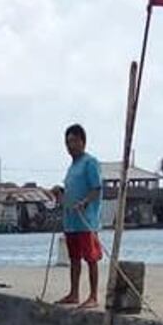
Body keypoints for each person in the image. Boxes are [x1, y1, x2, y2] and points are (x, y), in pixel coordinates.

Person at [57, 122, 103, 308]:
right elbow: (71, 190)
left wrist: (84, 202)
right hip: (71, 221)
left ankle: (93, 296)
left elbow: (96, 188)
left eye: (74, 141)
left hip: (86, 221)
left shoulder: (90, 162)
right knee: (74, 258)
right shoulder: (72, 167)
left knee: (91, 258)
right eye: (68, 142)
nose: (71, 146)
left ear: (83, 142)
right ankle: (74, 293)